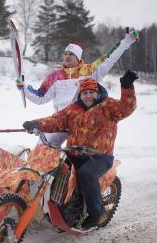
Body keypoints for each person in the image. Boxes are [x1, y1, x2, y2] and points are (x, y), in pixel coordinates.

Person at [22, 70, 138, 233]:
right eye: (84, 93)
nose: (88, 96)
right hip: (75, 152)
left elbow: (126, 108)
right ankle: (56, 204)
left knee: (86, 175)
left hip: (99, 157)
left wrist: (127, 87)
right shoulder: (73, 109)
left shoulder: (108, 106)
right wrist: (36, 123)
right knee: (53, 166)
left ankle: (95, 216)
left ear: (97, 93)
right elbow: (56, 120)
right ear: (80, 94)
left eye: (91, 92)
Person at [17, 30, 139, 146]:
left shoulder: (90, 71)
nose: (67, 56)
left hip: (82, 123)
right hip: (60, 121)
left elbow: (109, 57)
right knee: (43, 148)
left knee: (76, 154)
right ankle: (38, 167)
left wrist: (127, 41)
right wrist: (24, 87)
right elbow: (40, 97)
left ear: (78, 57)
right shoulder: (56, 77)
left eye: (71, 54)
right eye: (65, 54)